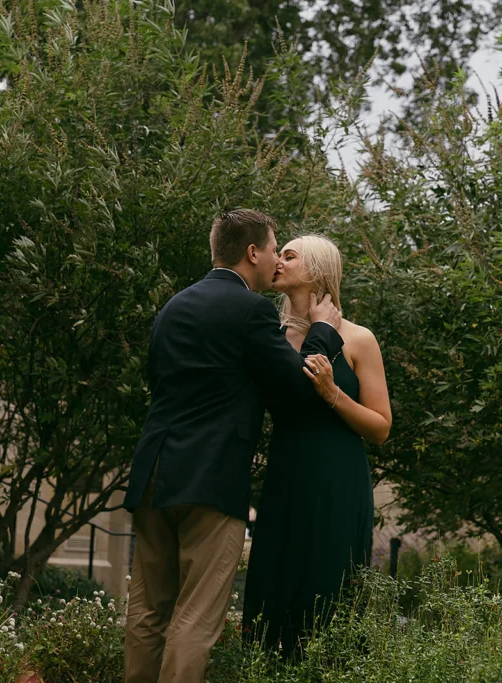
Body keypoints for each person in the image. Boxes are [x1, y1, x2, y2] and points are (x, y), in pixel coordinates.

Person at [122, 210, 345, 683]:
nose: (275, 260)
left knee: (146, 612)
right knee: (196, 617)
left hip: (153, 474)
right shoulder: (252, 310)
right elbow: (296, 386)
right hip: (210, 478)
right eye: (273, 249)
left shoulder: (174, 306)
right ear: (252, 253)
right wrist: (323, 331)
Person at [242, 234, 392, 657]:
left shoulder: (359, 340)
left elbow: (381, 427)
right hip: (285, 475)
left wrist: (333, 394)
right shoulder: (269, 337)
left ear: (319, 271)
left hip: (338, 479)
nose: (278, 261)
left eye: (289, 256)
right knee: (276, 580)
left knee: (331, 585)